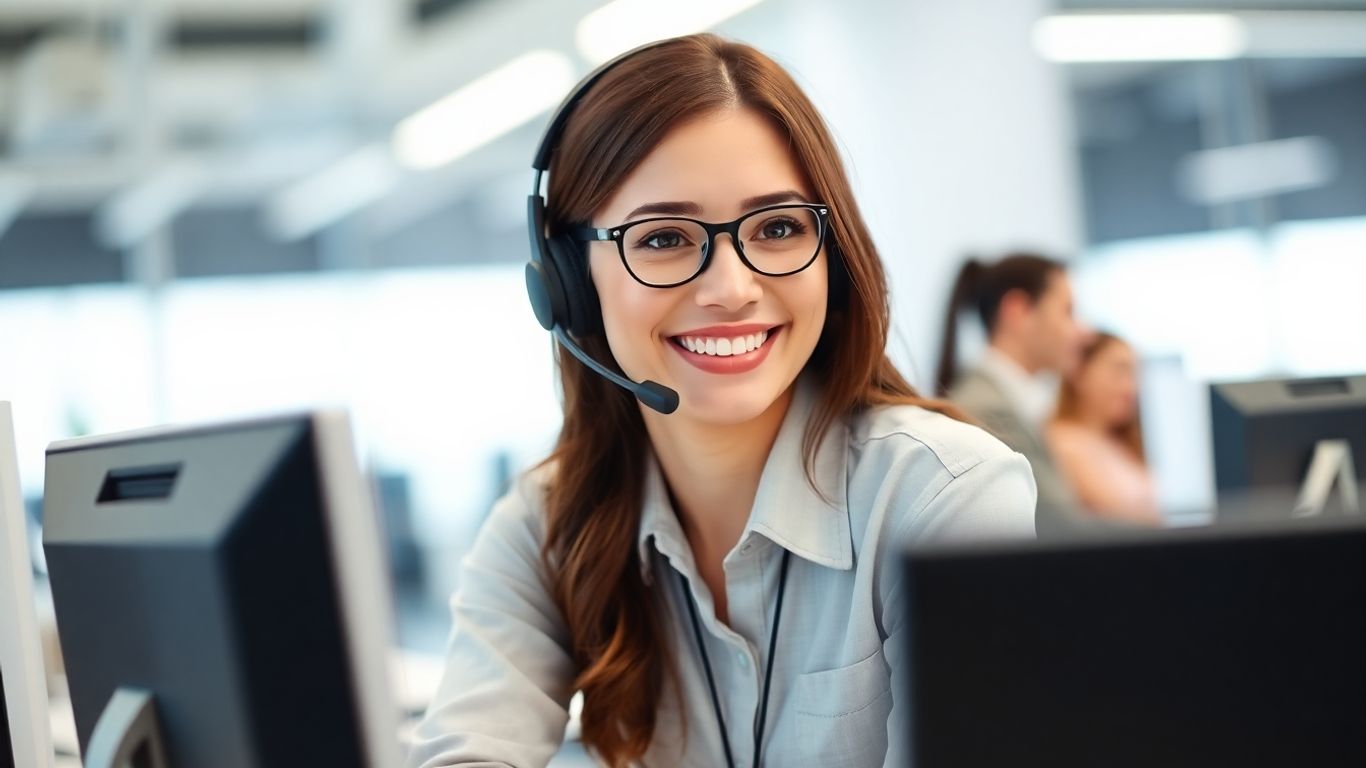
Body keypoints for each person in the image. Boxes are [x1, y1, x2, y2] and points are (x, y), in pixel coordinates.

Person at [408, 35, 1036, 768]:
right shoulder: (549, 523)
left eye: (777, 228)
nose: (732, 288)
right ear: (566, 283)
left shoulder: (941, 497)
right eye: (666, 237)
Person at [934, 253, 1091, 538]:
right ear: (1017, 311)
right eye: (1068, 311)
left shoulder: (1009, 402)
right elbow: (1062, 530)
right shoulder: (987, 410)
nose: (1084, 333)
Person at [1047, 332, 1162, 526]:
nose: (1131, 387)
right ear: (1079, 372)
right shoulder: (1062, 443)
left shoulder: (1122, 443)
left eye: (1134, 374)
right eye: (1119, 371)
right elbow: (1118, 516)